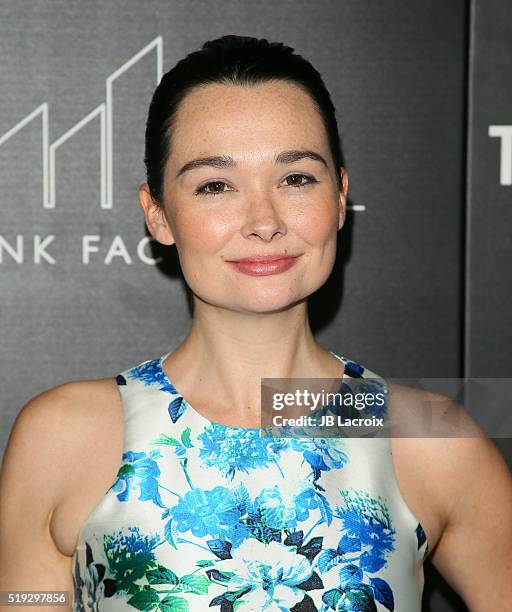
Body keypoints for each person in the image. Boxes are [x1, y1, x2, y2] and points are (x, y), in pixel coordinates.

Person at [0, 34, 511, 611]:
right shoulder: (63, 436)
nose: (263, 221)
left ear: (340, 197)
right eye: (215, 185)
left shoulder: (428, 436)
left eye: (296, 178)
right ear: (159, 213)